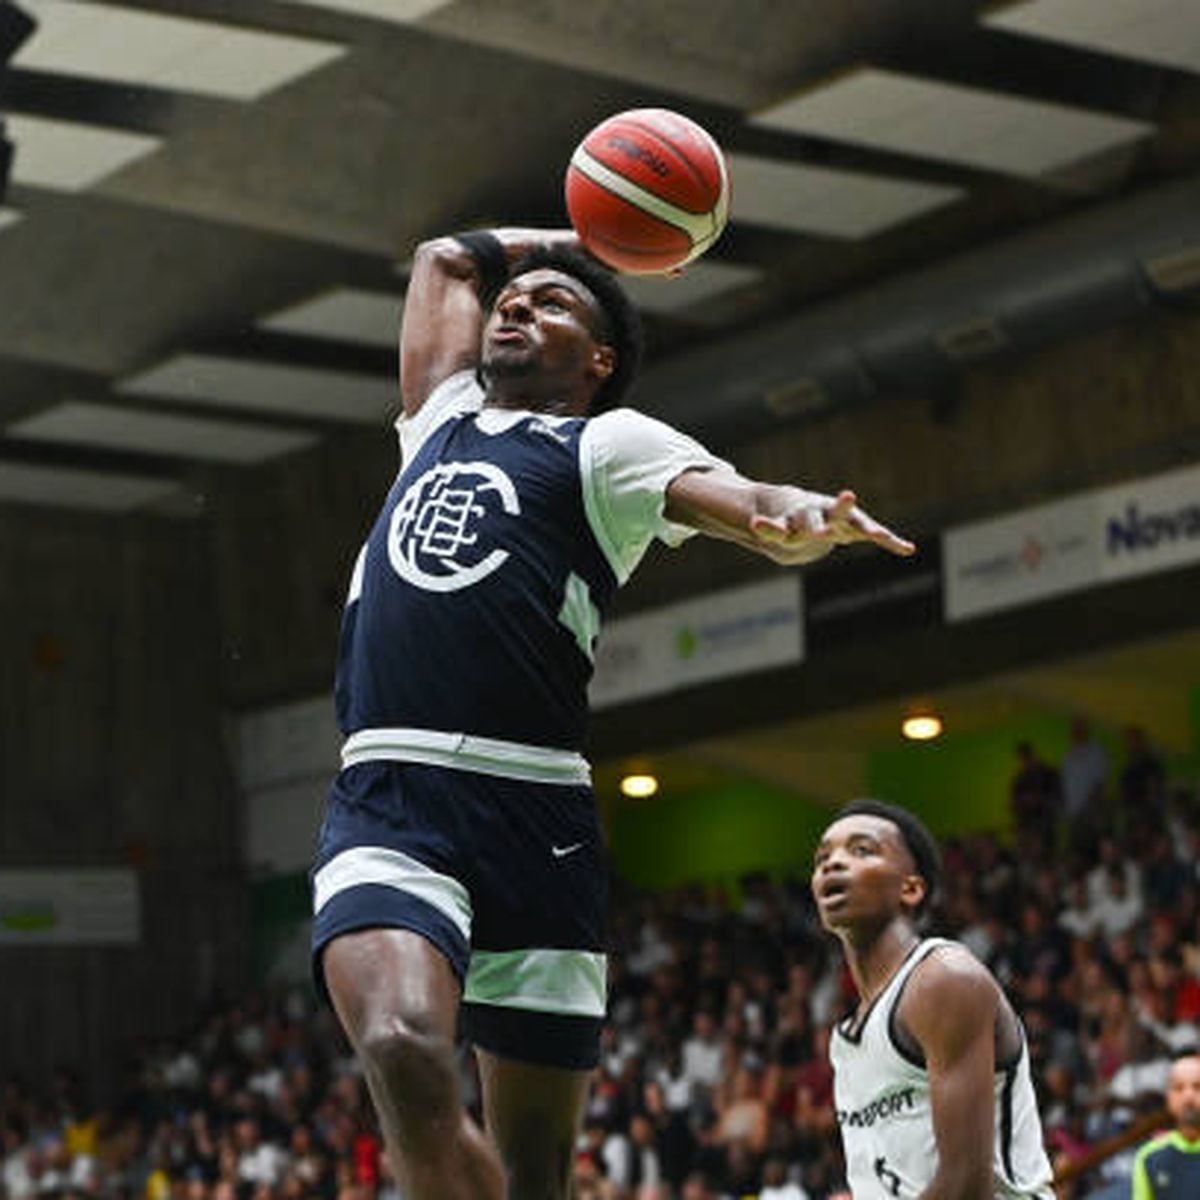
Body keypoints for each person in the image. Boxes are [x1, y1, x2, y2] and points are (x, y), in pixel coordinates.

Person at [309, 224, 915, 1200]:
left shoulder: (609, 448)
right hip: (394, 796)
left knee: (537, 1174)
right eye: (518, 295)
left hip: (538, 821)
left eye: (554, 303)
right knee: (399, 1044)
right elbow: (443, 261)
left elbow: (747, 496)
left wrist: (798, 520)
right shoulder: (438, 418)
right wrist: (587, 237)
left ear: (598, 362)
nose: (518, 301)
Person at [810, 798, 1054, 1198]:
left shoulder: (943, 980)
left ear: (911, 888)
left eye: (861, 850)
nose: (832, 864)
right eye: (823, 857)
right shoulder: (846, 1035)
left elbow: (965, 1187)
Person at [1130, 1050, 1200, 1199]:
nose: (1188, 1096)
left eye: (1197, 1086)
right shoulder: (1149, 1157)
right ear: (1168, 1097)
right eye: (1178, 1088)